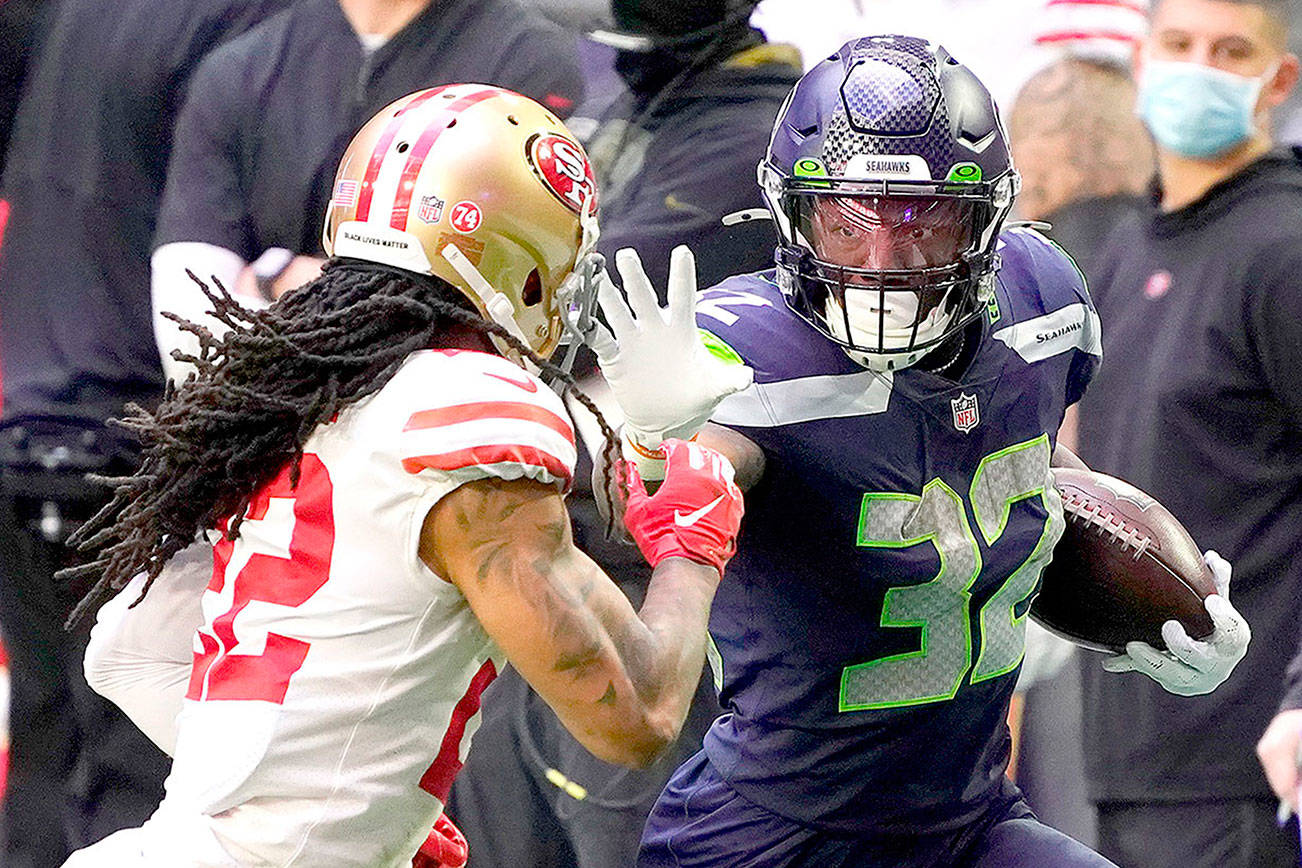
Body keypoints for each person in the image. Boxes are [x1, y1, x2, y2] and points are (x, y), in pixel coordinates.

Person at [585, 36, 1250, 867]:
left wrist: (1160, 594)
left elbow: (1024, 471)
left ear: (987, 220)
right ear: (793, 215)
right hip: (775, 837)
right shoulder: (736, 358)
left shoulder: (1039, 307)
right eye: (847, 219)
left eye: (924, 219)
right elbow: (678, 489)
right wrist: (651, 442)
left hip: (969, 824)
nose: (884, 263)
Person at [59, 84, 750, 867]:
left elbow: (124, 651)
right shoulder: (475, 412)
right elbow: (634, 718)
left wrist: (343, 808)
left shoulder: (293, 391)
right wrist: (694, 552)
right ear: (527, 270)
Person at [444, 5, 799, 865]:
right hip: (539, 566)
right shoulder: (616, 94)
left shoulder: (756, 134)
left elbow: (539, 299)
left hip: (647, 572)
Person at [0, 2, 294, 865]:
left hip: (32, 420)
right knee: (140, 768)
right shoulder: (267, 31)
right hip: (134, 443)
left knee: (53, 753)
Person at [1068, 0, 1302, 865]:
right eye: (1179, 45)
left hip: (1249, 764)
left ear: (1277, 81)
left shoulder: (1283, 247)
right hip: (1132, 755)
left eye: (1230, 50)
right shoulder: (1129, 248)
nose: (1197, 65)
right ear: (1142, 59)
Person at [149, 0, 585, 385]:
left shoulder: (527, 61)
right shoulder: (243, 67)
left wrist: (276, 282)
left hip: (445, 438)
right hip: (266, 445)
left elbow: (517, 315)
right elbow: (188, 336)